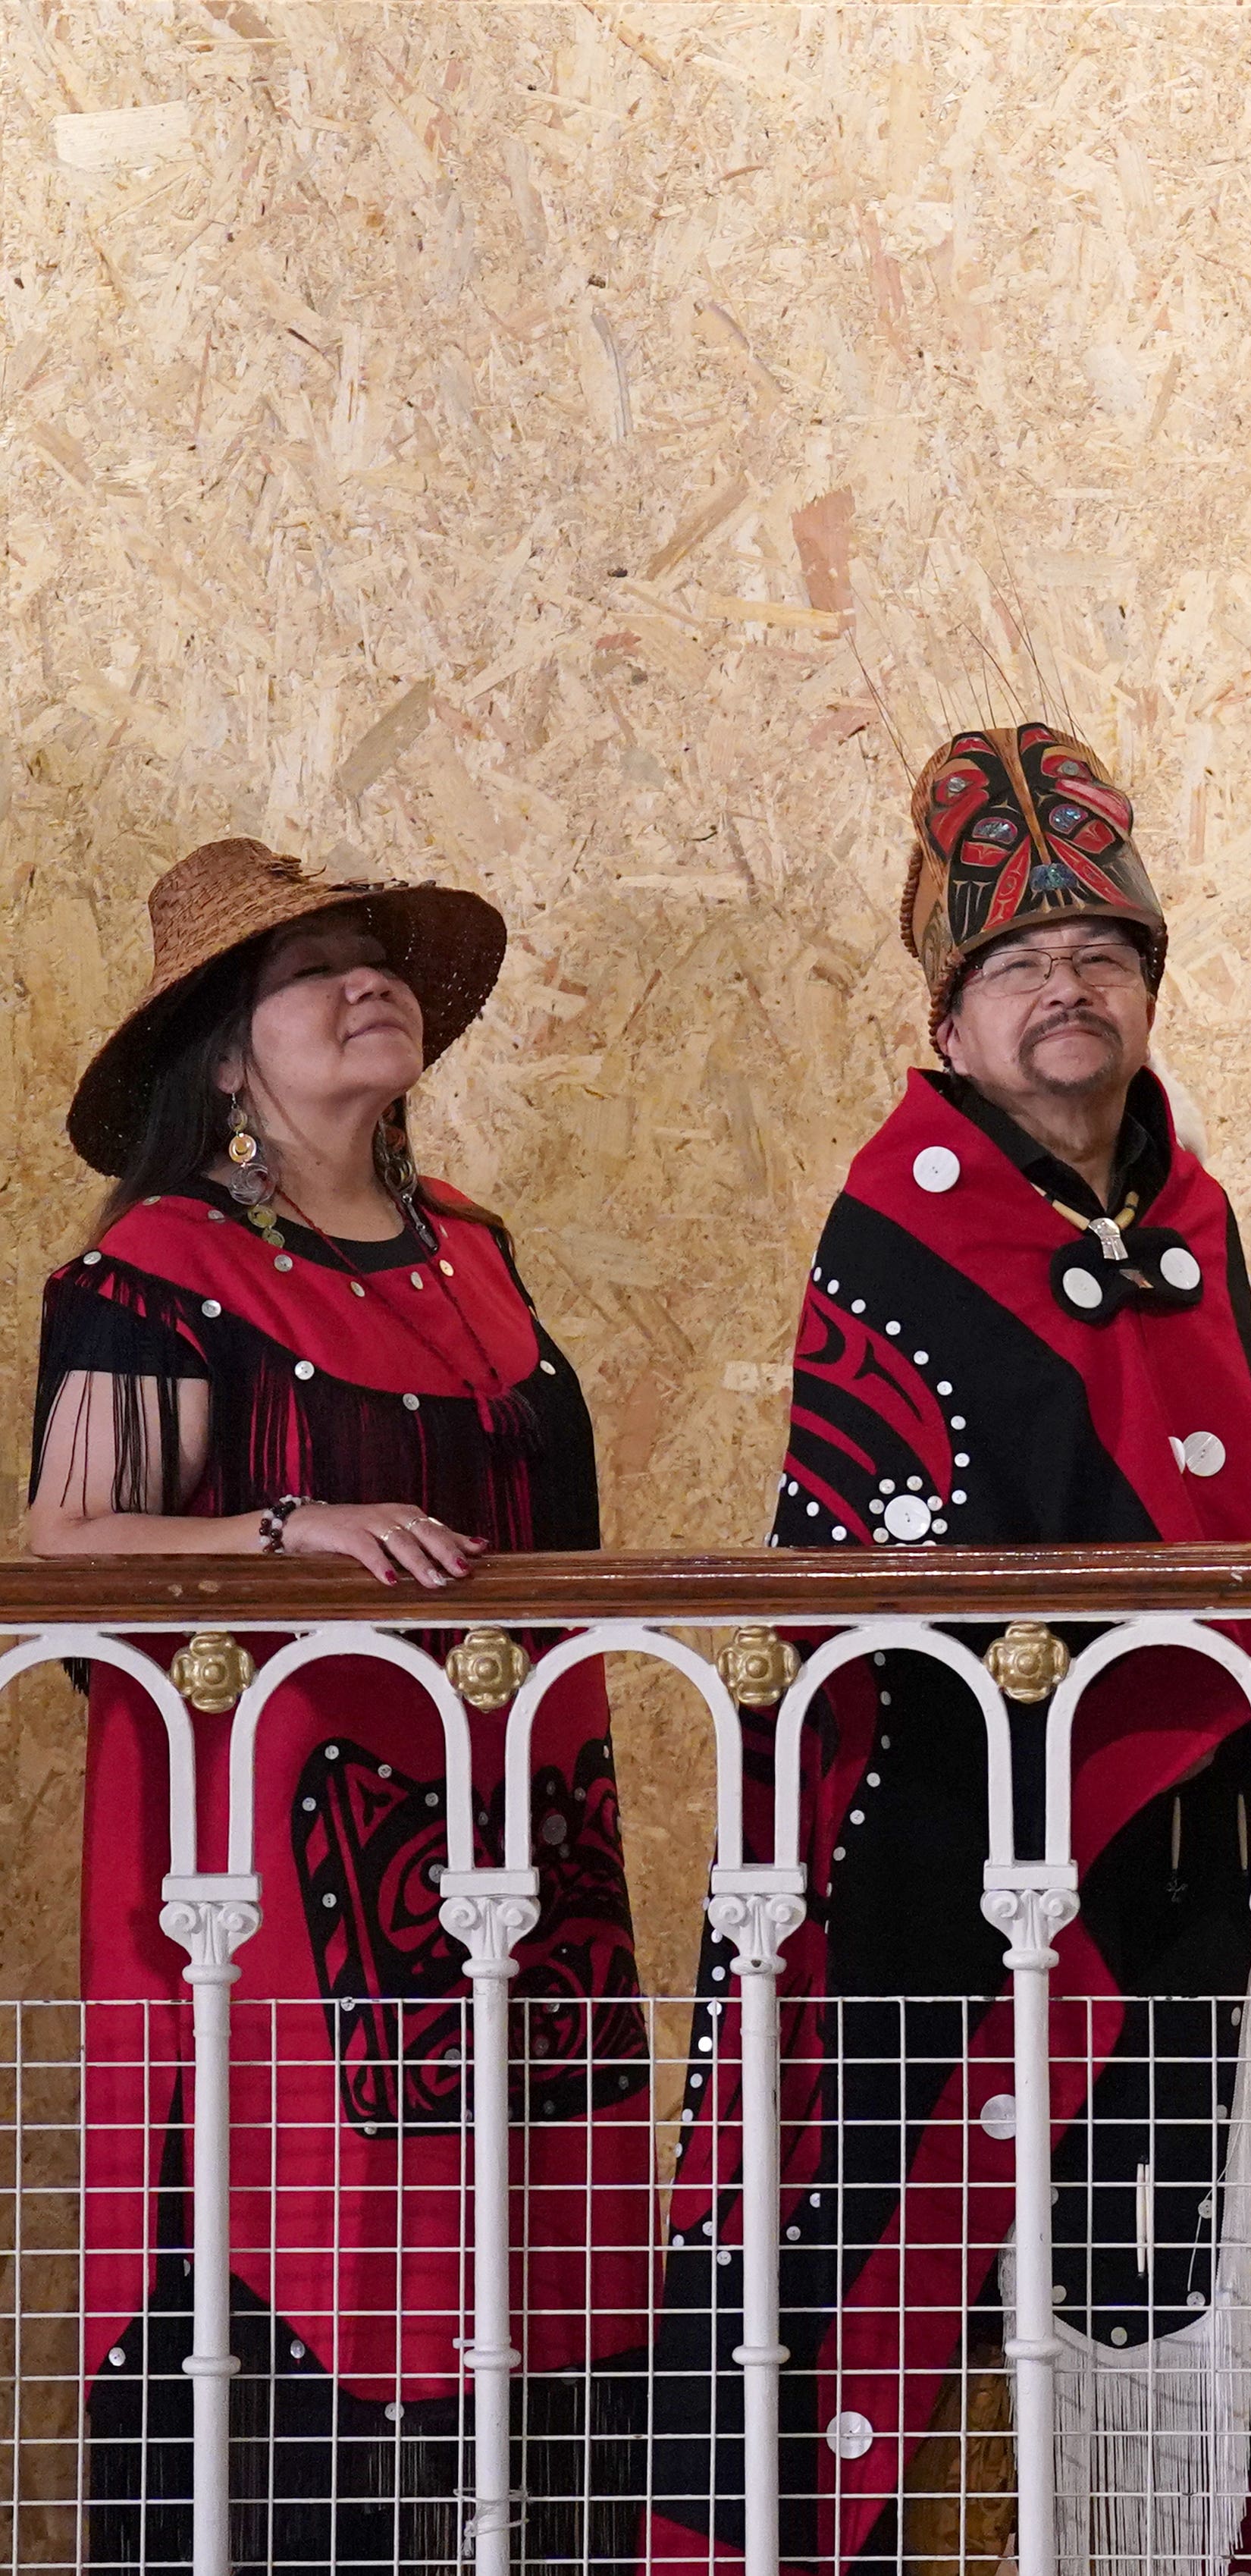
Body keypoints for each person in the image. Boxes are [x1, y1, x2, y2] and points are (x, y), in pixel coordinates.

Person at [645, 725, 1251, 2571]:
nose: (1065, 991)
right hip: (940, 1833)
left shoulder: (1191, 1213)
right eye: (1018, 965)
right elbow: (873, 1550)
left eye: (1102, 956)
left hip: (1188, 1832)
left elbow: (1235, 1498)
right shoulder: (901, 1212)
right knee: (858, 2239)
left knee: (1185, 2236)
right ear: (952, 1021)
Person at [30, 836, 652, 2567]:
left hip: (531, 1850)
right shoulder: (160, 1263)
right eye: (310, 970)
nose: (363, 983)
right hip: (282, 1869)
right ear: (226, 1051)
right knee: (310, 2251)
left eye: (376, 957)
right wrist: (287, 1530)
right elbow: (64, 1551)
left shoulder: (477, 1248)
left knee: (550, 2264)